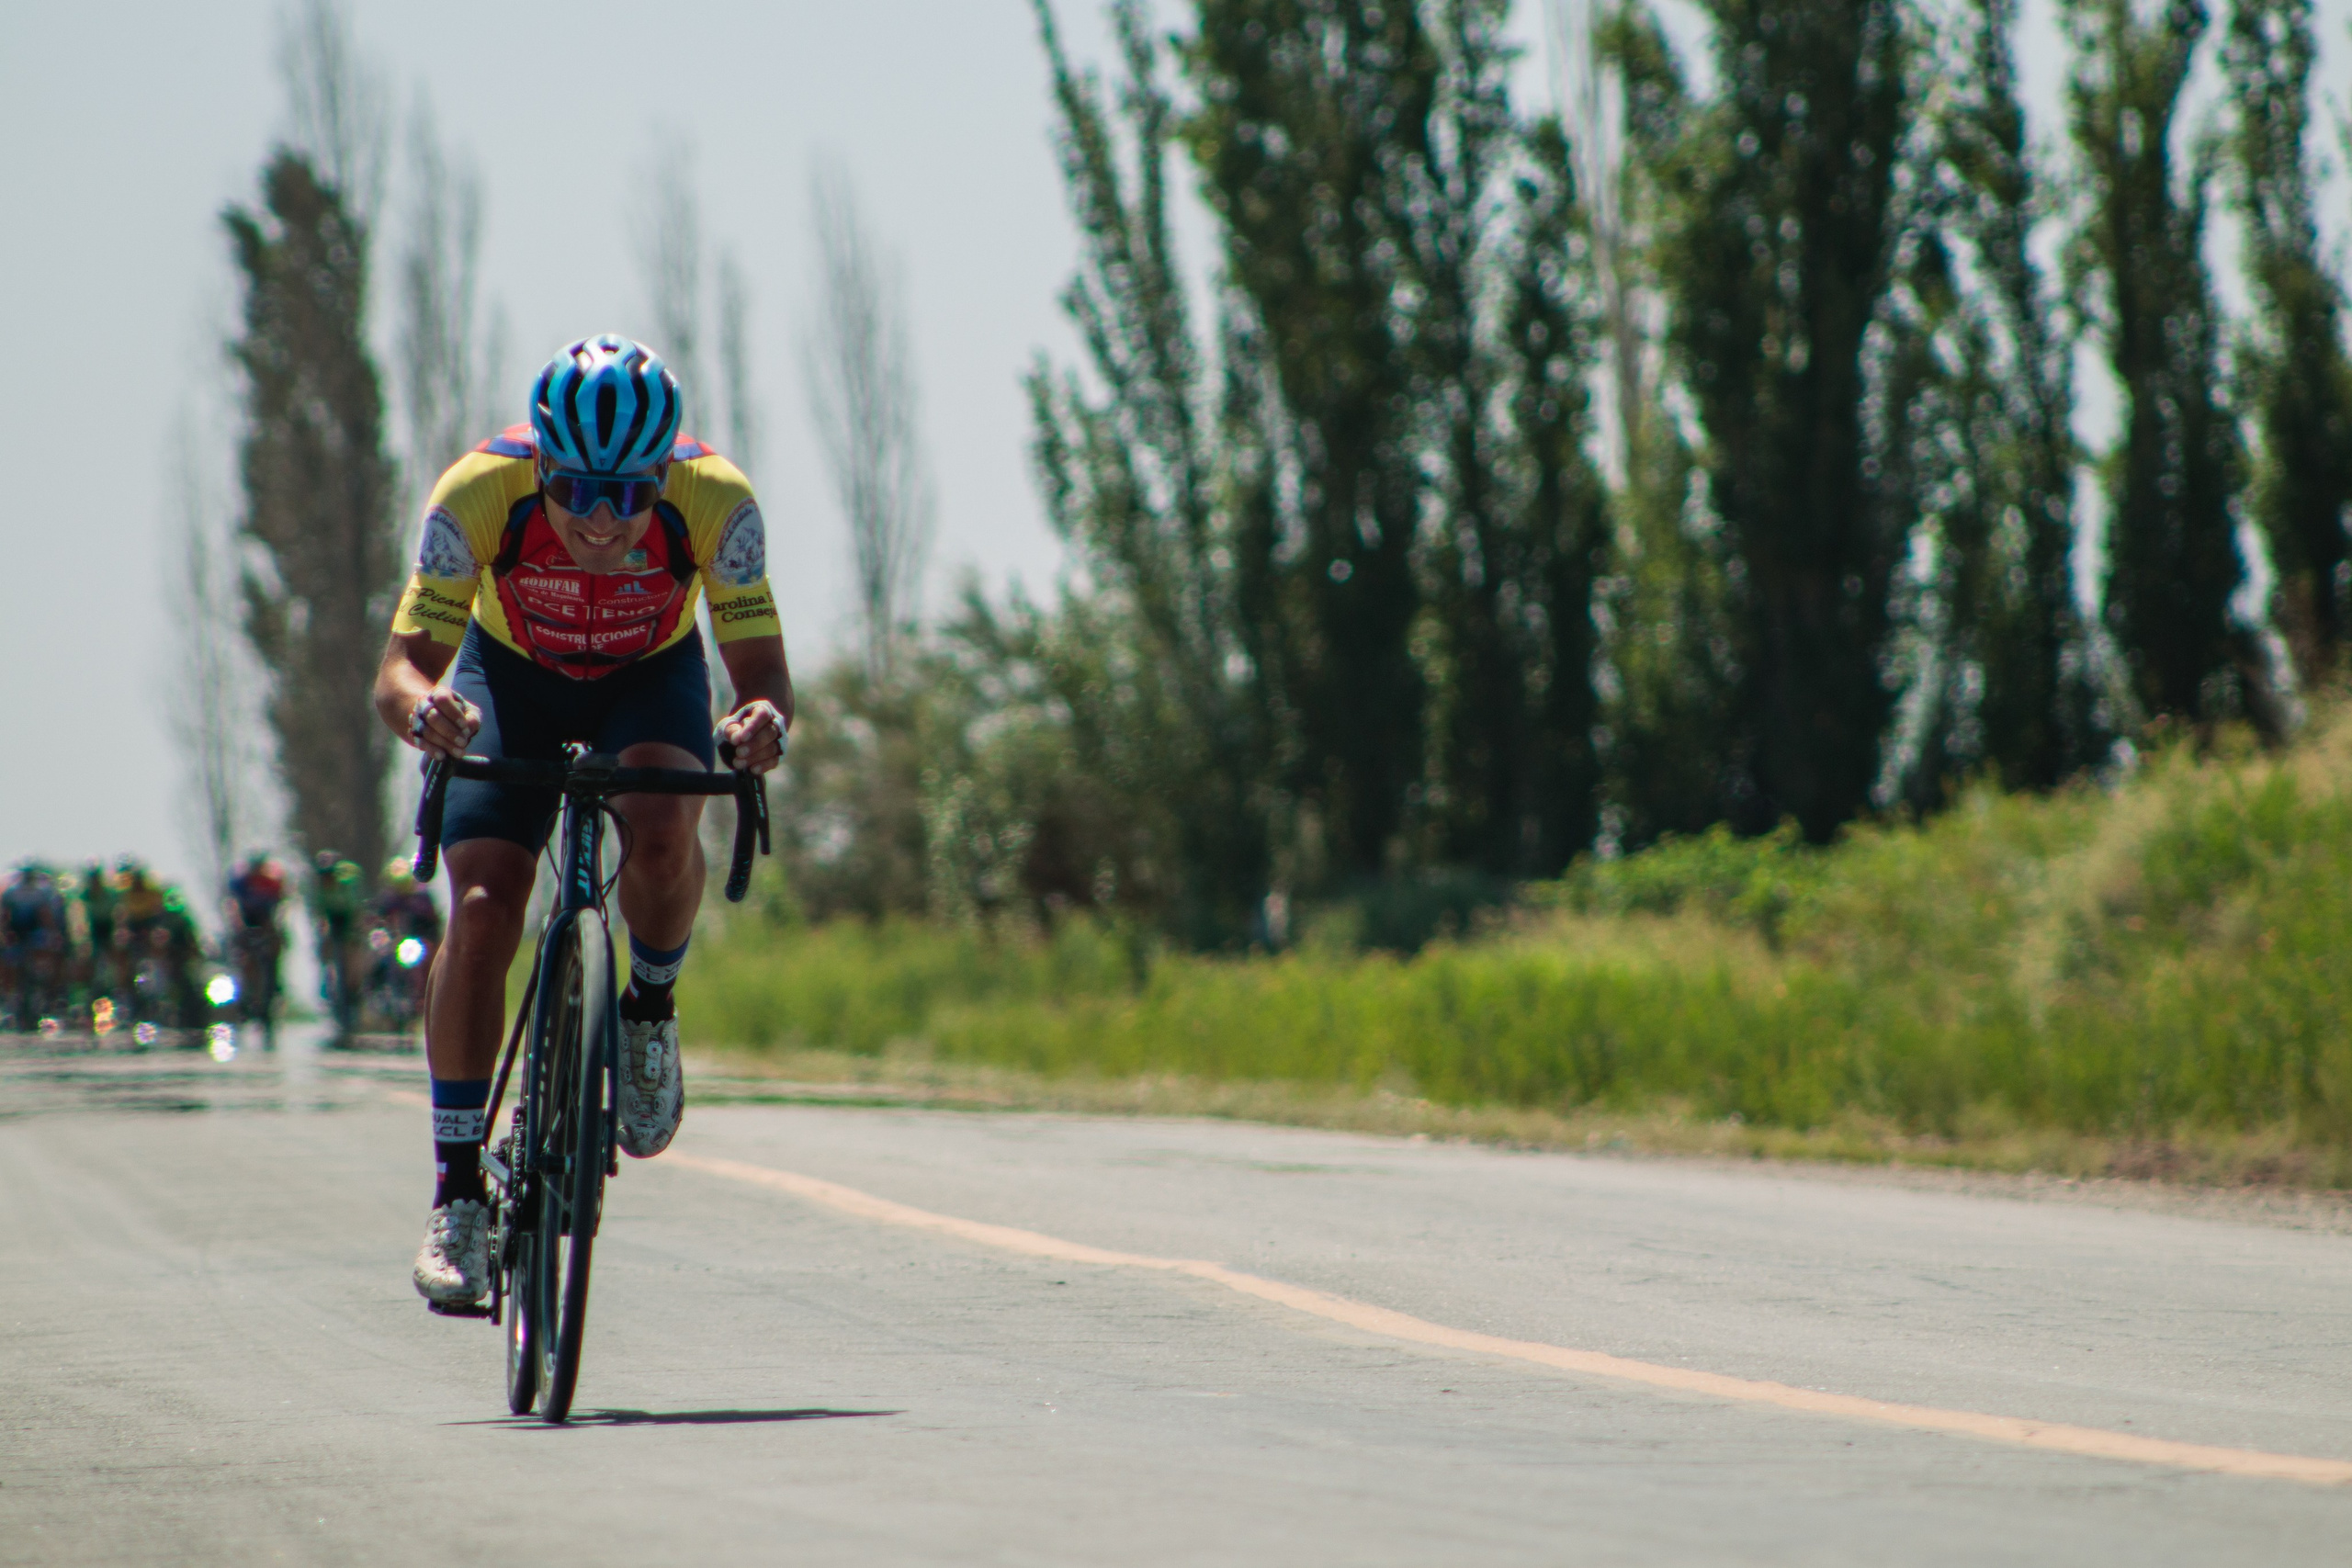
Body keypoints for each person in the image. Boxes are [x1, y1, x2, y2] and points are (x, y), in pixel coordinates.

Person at [372, 333, 789, 1307]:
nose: (602, 520)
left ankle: (647, 1007)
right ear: (542, 468)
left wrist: (761, 720)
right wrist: (424, 710)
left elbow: (762, 676)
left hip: (650, 677)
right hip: (507, 676)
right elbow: (398, 672)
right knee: (480, 910)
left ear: (662, 478)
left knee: (660, 820)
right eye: (577, 493)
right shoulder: (477, 492)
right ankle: (459, 1191)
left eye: (631, 496)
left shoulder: (718, 505)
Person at [225, 851, 289, 1024]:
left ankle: (275, 987)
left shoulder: (272, 883)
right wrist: (238, 927)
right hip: (248, 924)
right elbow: (233, 905)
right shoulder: (242, 883)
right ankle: (244, 996)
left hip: (267, 923)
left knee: (274, 951)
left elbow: (282, 904)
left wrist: (276, 927)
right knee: (244, 957)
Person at [310, 851, 364, 1031]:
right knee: (326, 956)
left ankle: (353, 998)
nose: (327, 879)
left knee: (352, 968)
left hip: (349, 932)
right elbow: (321, 916)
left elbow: (355, 912)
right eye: (323, 875)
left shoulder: (347, 888)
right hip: (333, 933)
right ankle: (328, 991)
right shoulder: (320, 893)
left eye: (330, 874)